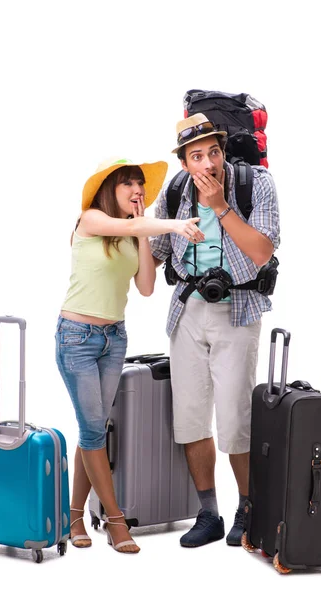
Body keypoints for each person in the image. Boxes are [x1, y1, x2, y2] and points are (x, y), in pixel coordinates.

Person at [55, 157, 204, 554]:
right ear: (110, 190)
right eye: (129, 184)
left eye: (140, 184)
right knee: (92, 431)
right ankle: (116, 520)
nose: (138, 190)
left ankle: (73, 514)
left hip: (114, 338)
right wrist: (173, 225)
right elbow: (134, 224)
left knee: (95, 428)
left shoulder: (130, 233)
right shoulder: (90, 220)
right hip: (77, 339)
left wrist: (143, 236)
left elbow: (146, 286)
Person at [150, 114, 280, 548]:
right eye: (196, 156)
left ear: (223, 151)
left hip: (238, 310)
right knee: (189, 418)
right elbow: (153, 252)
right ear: (185, 162)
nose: (206, 163)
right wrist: (122, 224)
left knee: (235, 417)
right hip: (188, 312)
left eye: (213, 152)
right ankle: (209, 513)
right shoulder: (174, 192)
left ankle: (248, 507)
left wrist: (222, 206)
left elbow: (262, 251)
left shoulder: (255, 184)